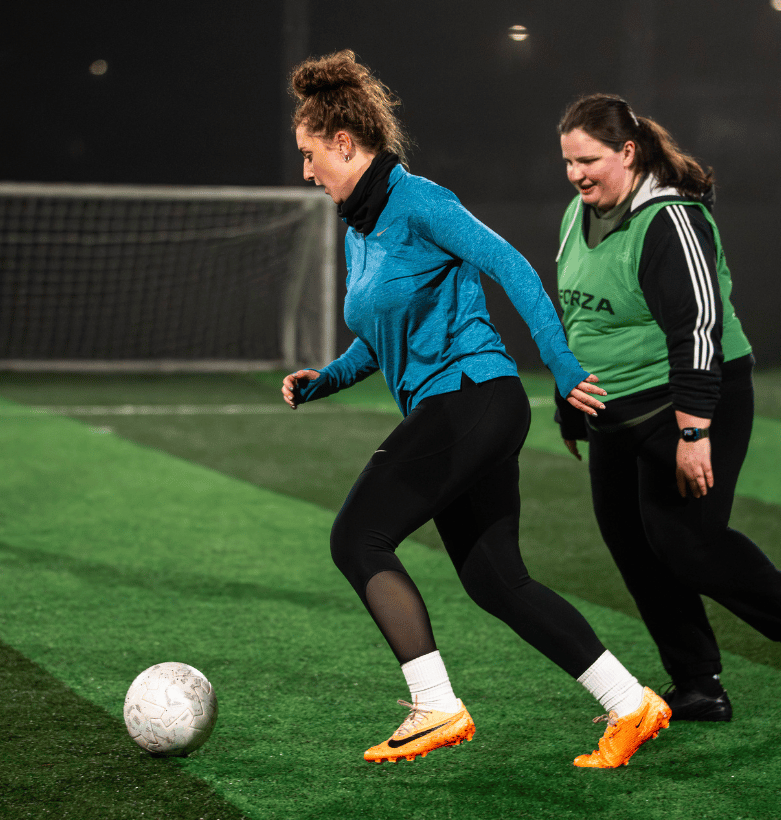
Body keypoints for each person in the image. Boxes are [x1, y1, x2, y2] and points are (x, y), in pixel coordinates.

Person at [281, 51, 670, 769]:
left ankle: (435, 706)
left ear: (344, 143)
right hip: (454, 408)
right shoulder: (358, 229)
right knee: (497, 580)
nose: (306, 173)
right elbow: (382, 337)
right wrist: (327, 379)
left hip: (473, 401)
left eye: (310, 155)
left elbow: (513, 269)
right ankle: (631, 703)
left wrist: (560, 366)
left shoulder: (420, 200)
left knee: (356, 538)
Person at [554, 93, 781, 722]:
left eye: (588, 160)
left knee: (686, 543)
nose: (576, 175)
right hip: (615, 409)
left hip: (693, 398)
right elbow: (576, 313)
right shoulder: (577, 212)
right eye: (567, 162)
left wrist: (695, 430)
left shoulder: (670, 220)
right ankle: (698, 682)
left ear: (628, 151)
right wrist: (572, 402)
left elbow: (699, 324)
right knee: (631, 543)